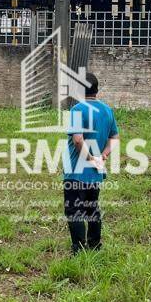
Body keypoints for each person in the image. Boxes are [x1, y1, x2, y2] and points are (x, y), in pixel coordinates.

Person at [62, 72, 118, 252]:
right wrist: (102, 156)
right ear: (96, 89)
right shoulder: (107, 110)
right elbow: (115, 138)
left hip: (76, 171)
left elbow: (78, 140)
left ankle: (78, 250)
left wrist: (90, 158)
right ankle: (94, 246)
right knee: (92, 209)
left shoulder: (77, 110)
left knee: (74, 211)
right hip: (96, 172)